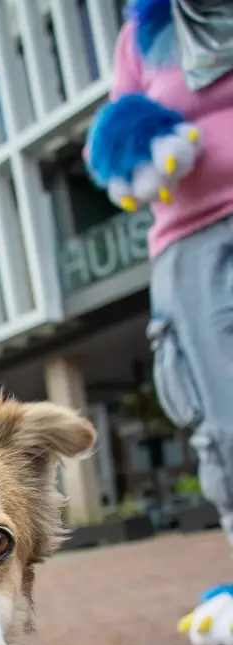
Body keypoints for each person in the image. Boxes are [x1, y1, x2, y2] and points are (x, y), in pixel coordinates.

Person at [85, 0, 233, 565]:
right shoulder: (140, 39)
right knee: (224, 416)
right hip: (191, 243)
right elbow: (107, 142)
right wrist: (138, 141)